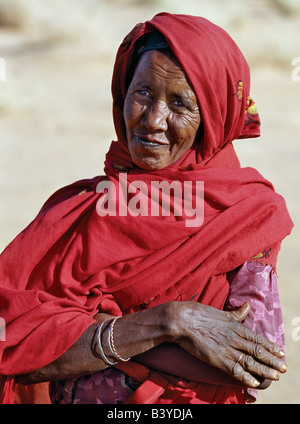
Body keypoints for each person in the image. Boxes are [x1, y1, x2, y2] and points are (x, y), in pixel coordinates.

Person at [0, 12, 293, 404]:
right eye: (142, 93)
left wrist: (94, 331)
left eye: (179, 103)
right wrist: (172, 322)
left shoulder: (247, 214)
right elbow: (13, 342)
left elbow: (257, 363)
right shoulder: (78, 211)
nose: (153, 120)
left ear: (213, 117)